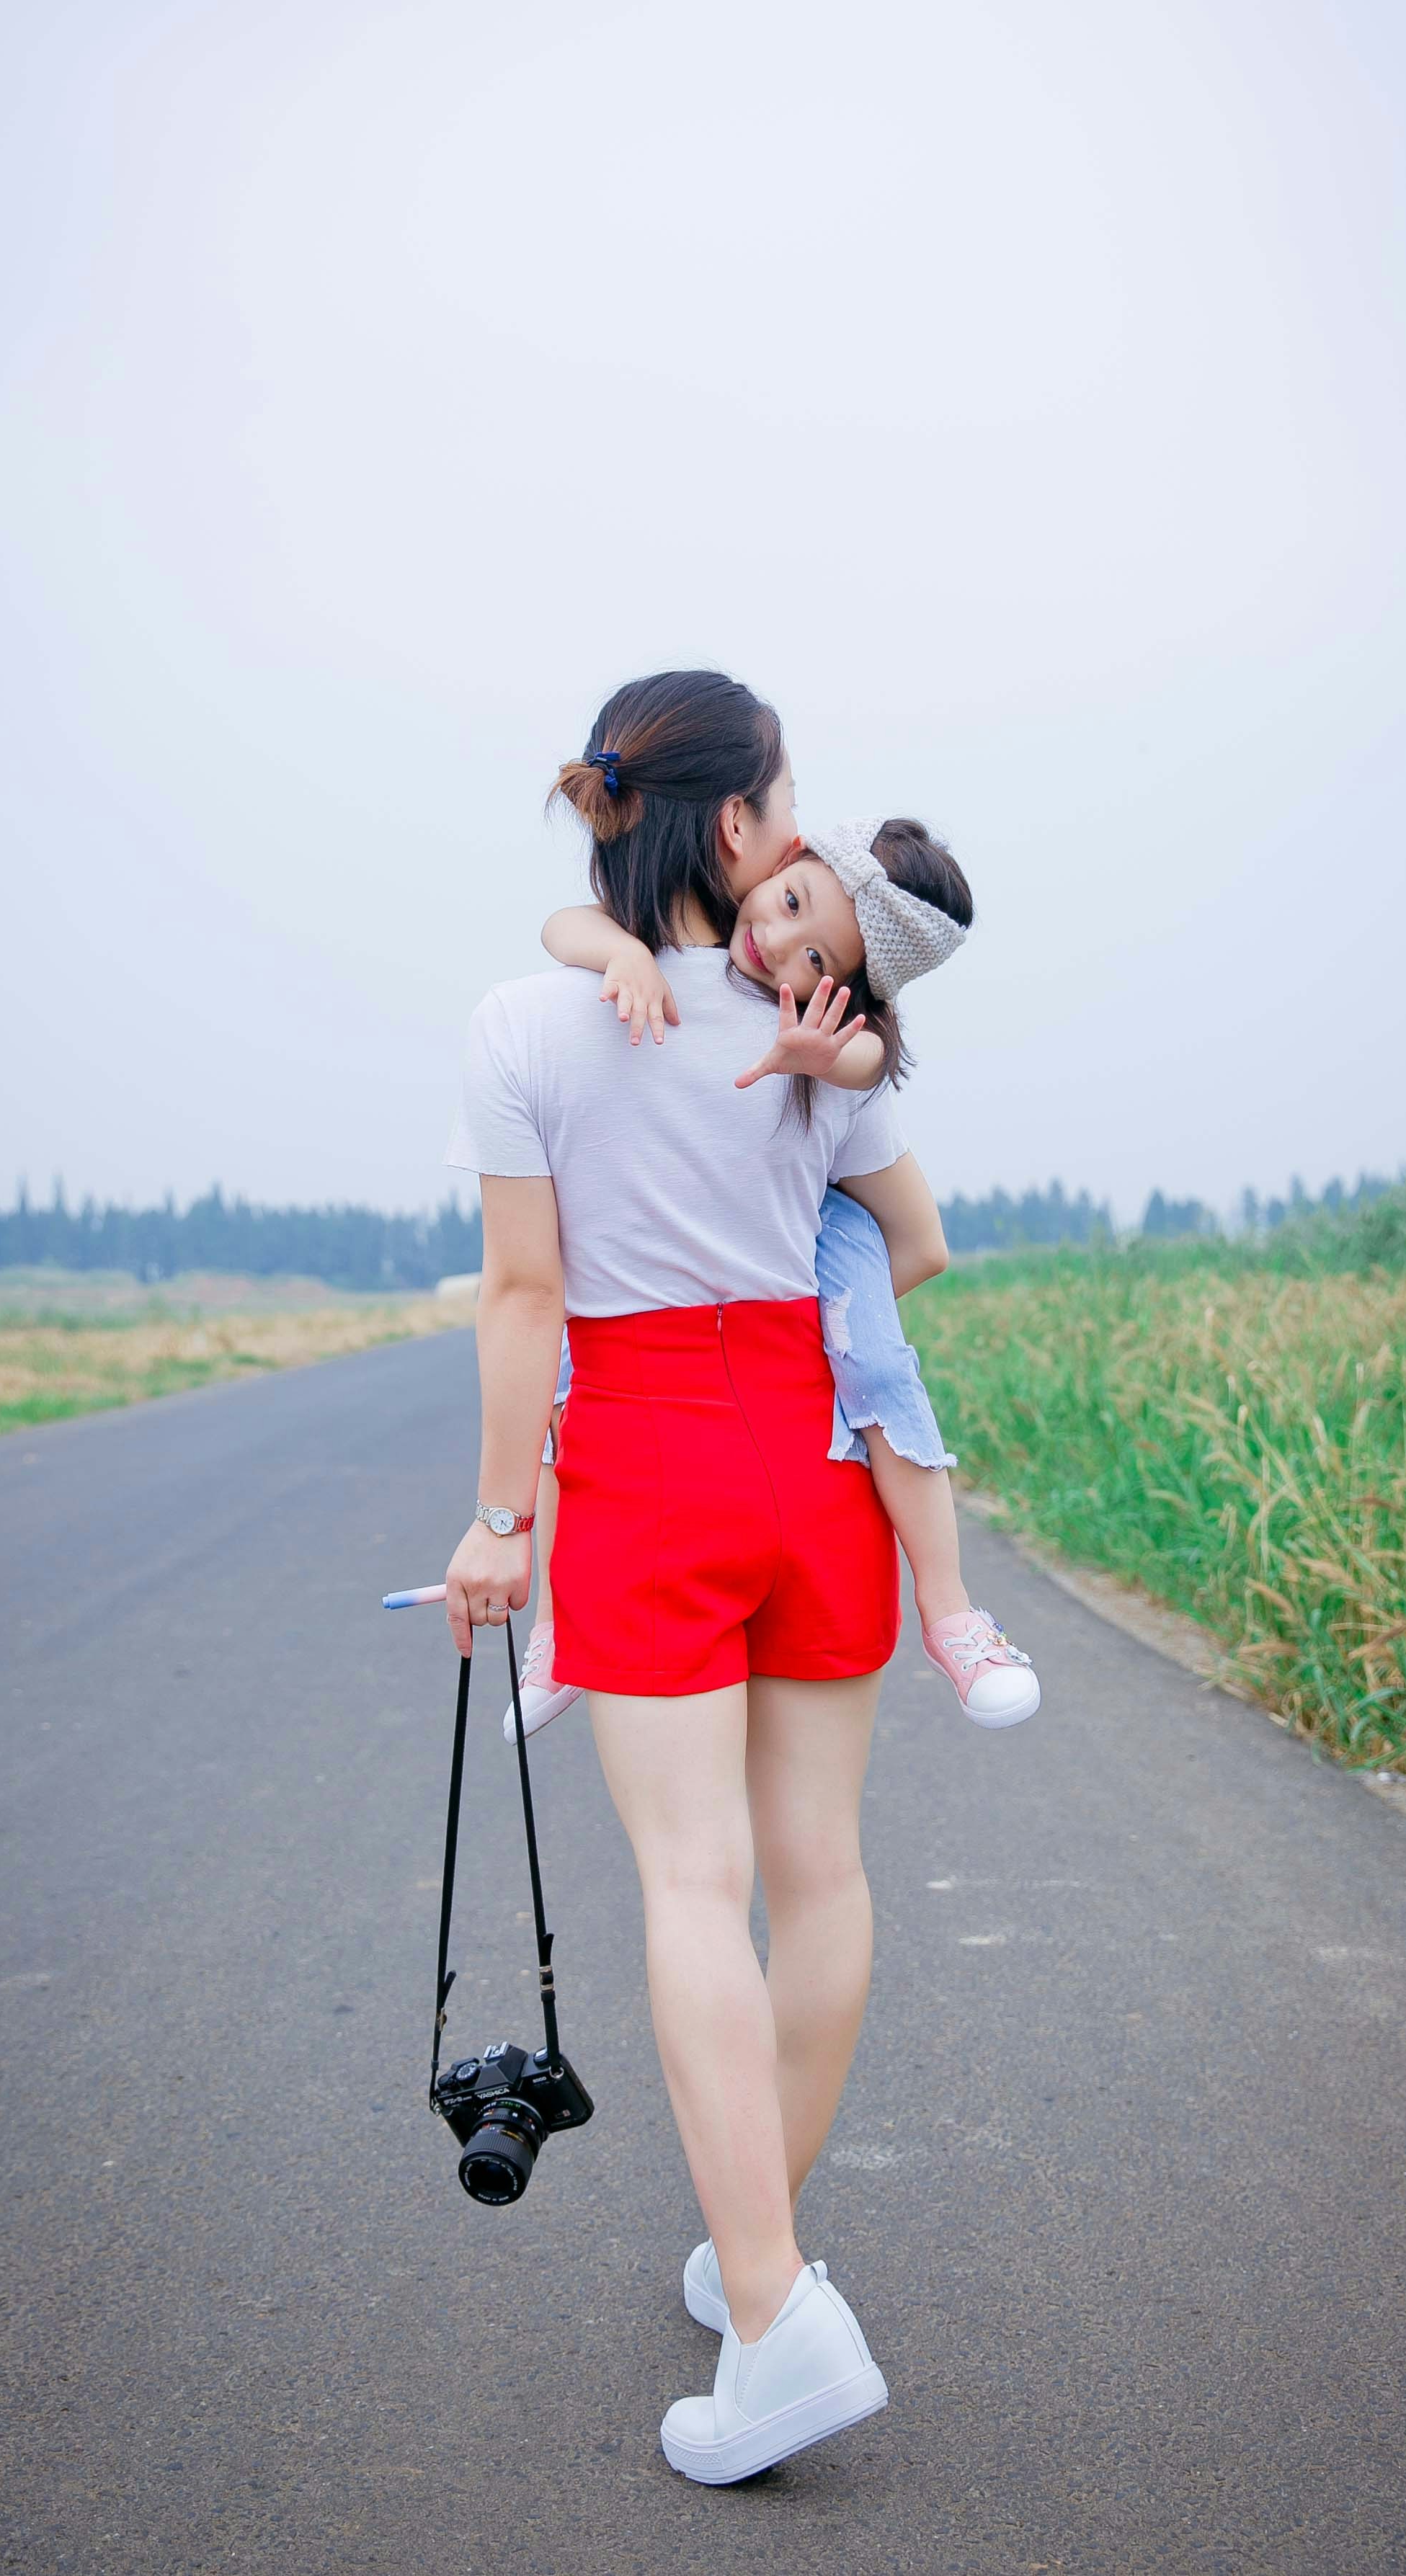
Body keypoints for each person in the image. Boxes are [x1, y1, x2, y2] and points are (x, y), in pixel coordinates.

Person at [443, 669, 943, 2481]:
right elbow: (919, 1240)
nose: (802, 834)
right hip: (812, 1460)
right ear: (731, 829)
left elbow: (519, 1297)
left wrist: (507, 1515)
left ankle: (774, 2303)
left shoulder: (528, 1018)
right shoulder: (814, 1008)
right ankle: (759, 2262)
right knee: (818, 1874)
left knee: (687, 1879)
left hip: (645, 1459)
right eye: (789, 805)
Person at [510, 816, 1041, 1744]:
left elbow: (875, 1054)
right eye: (790, 903)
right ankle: (556, 1632)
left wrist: (824, 1056)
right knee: (568, 1383)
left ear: (842, 988)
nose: (777, 940)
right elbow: (563, 926)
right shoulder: (703, 929)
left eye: (815, 958)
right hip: (658, 1244)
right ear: (783, 862)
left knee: (877, 1368)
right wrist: (623, 954)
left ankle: (953, 1614)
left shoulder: (834, 1034)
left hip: (824, 1224)